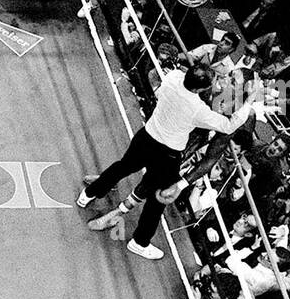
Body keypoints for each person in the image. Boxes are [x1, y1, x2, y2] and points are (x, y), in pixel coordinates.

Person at [78, 65, 255, 259]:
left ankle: (90, 194)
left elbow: (212, 156)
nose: (225, 78)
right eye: (227, 74)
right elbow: (227, 123)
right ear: (202, 87)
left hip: (151, 137)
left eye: (232, 78)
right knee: (157, 198)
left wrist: (183, 182)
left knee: (126, 167)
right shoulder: (200, 107)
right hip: (168, 153)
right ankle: (139, 241)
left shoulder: (176, 77)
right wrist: (250, 99)